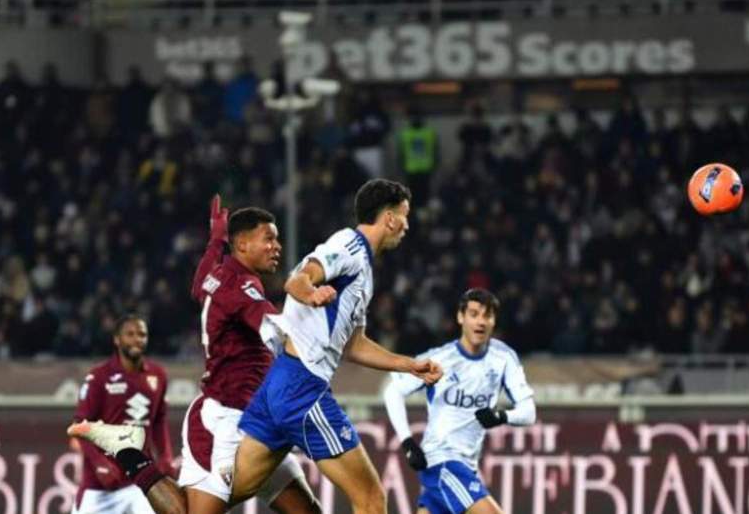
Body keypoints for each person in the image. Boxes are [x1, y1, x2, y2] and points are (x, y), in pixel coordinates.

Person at [231, 178, 443, 514]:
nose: (407, 225)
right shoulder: (350, 246)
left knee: (226, 493)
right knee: (372, 499)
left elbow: (354, 345)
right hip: (303, 388)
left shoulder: (364, 272)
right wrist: (311, 293)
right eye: (405, 216)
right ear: (389, 218)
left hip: (280, 384)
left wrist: (409, 365)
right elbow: (297, 280)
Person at [179, 196, 317, 513]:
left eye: (277, 238)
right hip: (223, 423)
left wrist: (215, 243)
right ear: (242, 244)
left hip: (257, 424)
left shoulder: (221, 276)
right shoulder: (241, 287)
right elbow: (275, 332)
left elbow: (199, 286)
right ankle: (138, 465)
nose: (277, 246)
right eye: (268, 238)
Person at [382, 289, 537, 514]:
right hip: (441, 461)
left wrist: (502, 416)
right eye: (474, 314)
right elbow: (392, 391)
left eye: (487, 315)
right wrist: (407, 442)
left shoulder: (503, 358)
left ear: (494, 321)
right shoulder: (440, 359)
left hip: (468, 466)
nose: (480, 322)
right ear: (460, 317)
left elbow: (529, 411)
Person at [72, 315, 172, 514]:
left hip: (141, 481)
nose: (137, 339)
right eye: (130, 334)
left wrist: (166, 456)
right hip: (100, 487)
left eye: (142, 334)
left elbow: (159, 419)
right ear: (117, 339)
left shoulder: (157, 375)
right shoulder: (99, 377)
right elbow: (80, 427)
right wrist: (101, 465)